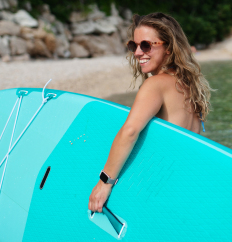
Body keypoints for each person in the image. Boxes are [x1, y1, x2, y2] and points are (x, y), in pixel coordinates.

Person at [88, 12, 212, 213]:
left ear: (168, 48)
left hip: (159, 187)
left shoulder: (155, 85)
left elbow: (130, 132)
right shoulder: (189, 87)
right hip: (183, 186)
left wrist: (104, 182)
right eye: (133, 46)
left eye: (146, 45)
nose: (137, 52)